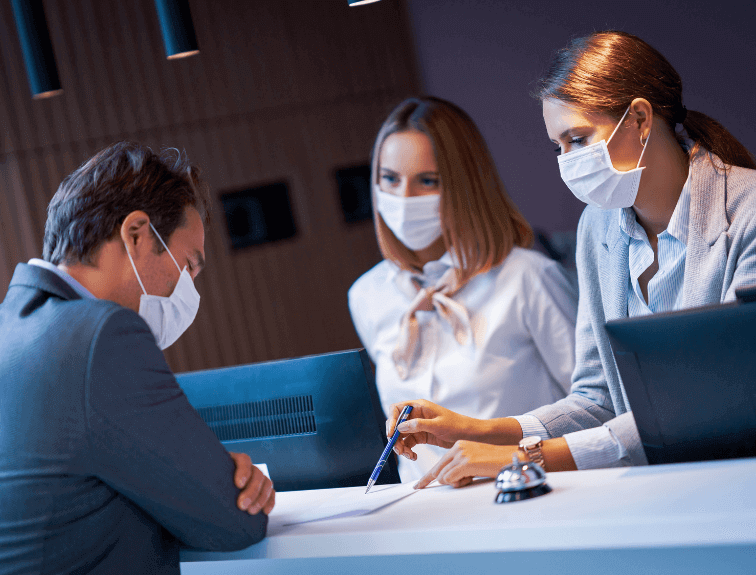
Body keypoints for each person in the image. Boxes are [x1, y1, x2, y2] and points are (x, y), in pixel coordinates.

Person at [386, 31, 756, 488]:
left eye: (578, 139)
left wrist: (523, 457)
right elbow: (597, 398)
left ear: (640, 118)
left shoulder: (748, 213)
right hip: (660, 496)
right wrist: (473, 430)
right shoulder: (597, 228)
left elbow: (709, 404)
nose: (566, 161)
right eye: (557, 146)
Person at [0, 142, 274, 573]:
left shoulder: (10, 330)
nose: (189, 290)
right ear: (136, 234)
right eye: (189, 266)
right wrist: (220, 477)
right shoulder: (103, 335)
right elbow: (237, 522)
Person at [348, 96, 578, 481]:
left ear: (464, 184)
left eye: (427, 181)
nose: (403, 199)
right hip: (426, 518)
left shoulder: (528, 278)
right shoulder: (368, 296)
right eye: (390, 179)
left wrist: (514, 454)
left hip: (528, 497)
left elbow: (595, 411)